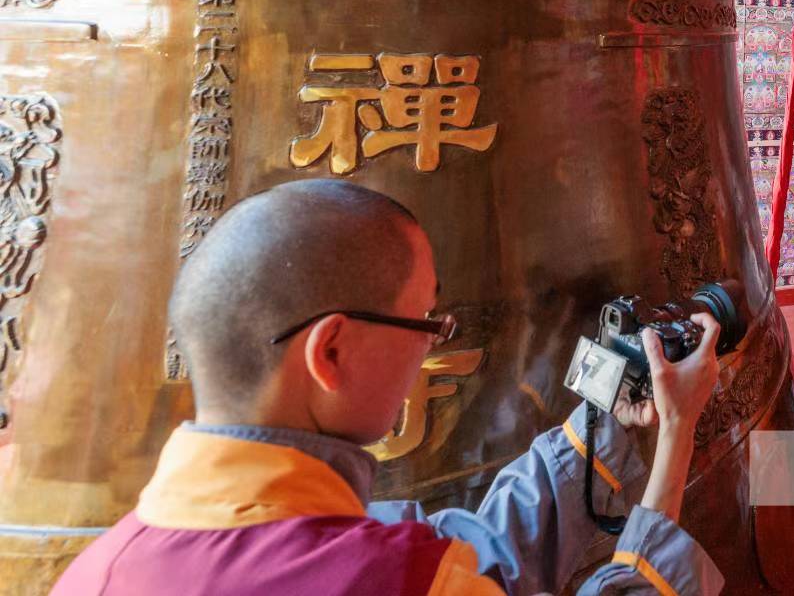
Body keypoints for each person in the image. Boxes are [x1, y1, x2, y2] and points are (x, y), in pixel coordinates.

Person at [53, 180, 723, 596]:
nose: (434, 342)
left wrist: (610, 418)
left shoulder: (96, 571)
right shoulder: (394, 578)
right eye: (425, 321)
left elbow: (477, 553)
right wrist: (677, 436)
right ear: (331, 351)